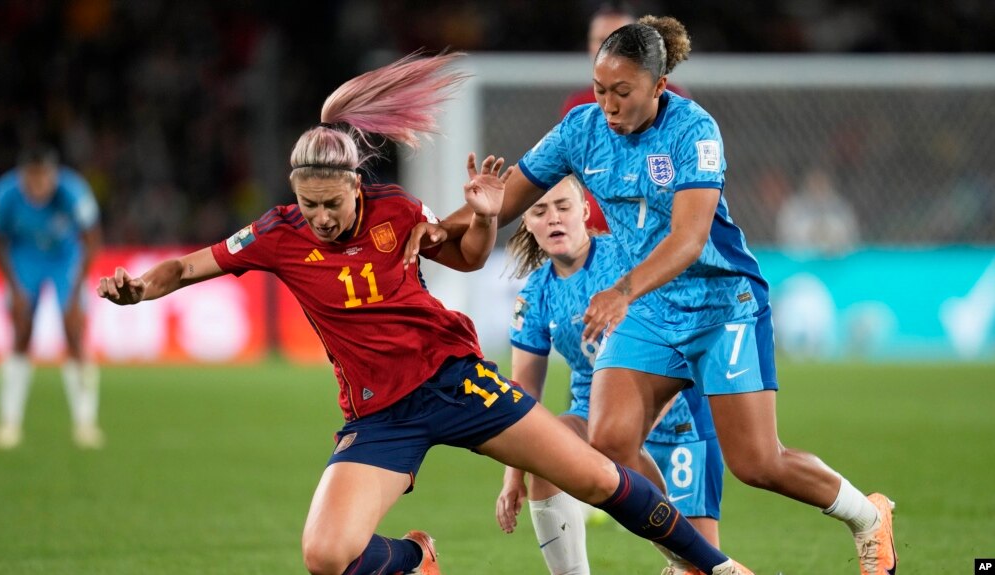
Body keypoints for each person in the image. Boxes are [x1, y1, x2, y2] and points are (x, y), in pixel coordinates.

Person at [95, 52, 752, 575]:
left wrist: (489, 216)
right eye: (308, 203)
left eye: (331, 202)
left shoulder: (397, 213)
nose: (319, 217)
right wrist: (140, 290)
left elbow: (466, 257)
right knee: (326, 556)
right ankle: (416, 558)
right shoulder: (276, 232)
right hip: (379, 414)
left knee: (595, 476)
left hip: (454, 382)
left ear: (356, 184)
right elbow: (185, 266)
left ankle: (718, 568)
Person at [408, 16, 897, 575]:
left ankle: (868, 518)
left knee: (758, 463)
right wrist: (438, 232)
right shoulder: (580, 129)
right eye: (599, 91)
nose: (609, 106)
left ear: (659, 87)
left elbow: (689, 239)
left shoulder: (695, 131)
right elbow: (503, 199)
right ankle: (691, 560)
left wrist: (620, 291)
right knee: (611, 442)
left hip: (722, 302)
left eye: (623, 93)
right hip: (653, 307)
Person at [495, 175, 724, 575]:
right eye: (539, 210)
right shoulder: (534, 296)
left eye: (563, 207)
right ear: (527, 222)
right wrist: (513, 476)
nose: (553, 219)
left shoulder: (627, 260)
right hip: (596, 418)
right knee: (544, 448)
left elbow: (678, 337)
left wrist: (635, 426)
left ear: (584, 212)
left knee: (698, 562)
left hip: (678, 420)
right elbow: (523, 395)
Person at [0, 145, 104, 449]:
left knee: (73, 332)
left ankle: (85, 423)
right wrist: (13, 286)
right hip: (24, 257)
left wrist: (75, 291)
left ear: (53, 175)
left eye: (43, 178)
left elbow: (92, 240)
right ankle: (9, 423)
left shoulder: (73, 191)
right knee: (21, 331)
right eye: (31, 179)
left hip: (65, 258)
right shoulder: (4, 194)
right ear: (22, 176)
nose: (37, 186)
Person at [560, 2, 691, 235]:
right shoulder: (578, 107)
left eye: (619, 40)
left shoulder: (672, 99)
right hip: (595, 234)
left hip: (656, 232)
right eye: (600, 40)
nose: (608, 50)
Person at [776, 166, 860, 255]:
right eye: (815, 183)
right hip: (801, 258)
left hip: (835, 258)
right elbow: (785, 235)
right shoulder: (794, 207)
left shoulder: (840, 206)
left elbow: (851, 234)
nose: (818, 188)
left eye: (822, 184)